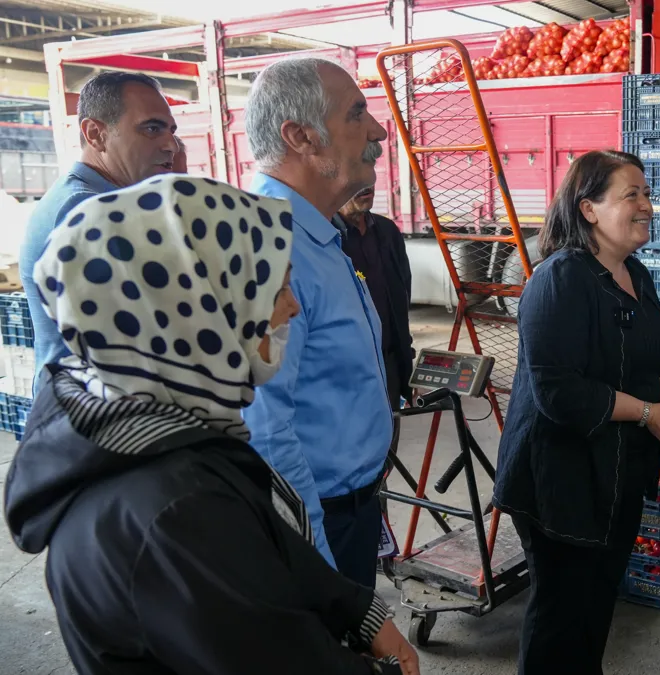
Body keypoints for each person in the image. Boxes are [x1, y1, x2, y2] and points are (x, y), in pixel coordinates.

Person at [2, 176, 419, 675]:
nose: (292, 306)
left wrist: (356, 610)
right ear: (199, 309)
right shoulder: (175, 510)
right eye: (276, 289)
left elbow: (266, 540)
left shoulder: (158, 431)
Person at [492, 150, 660, 675]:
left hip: (618, 473)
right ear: (588, 209)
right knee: (560, 615)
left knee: (596, 606)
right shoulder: (559, 279)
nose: (647, 206)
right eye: (632, 195)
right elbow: (558, 392)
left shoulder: (634, 274)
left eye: (647, 194)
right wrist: (647, 412)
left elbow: (656, 351)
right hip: (561, 479)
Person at [241, 57, 393, 588]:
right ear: (301, 136)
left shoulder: (315, 234)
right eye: (357, 114)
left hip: (350, 509)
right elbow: (263, 435)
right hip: (319, 524)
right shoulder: (266, 246)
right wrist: (321, 575)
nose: (377, 132)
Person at [20, 72, 177, 395]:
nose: (170, 145)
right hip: (93, 411)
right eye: (151, 128)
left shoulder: (97, 201)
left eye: (170, 131)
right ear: (95, 134)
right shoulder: (85, 209)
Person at [335, 185, 415, 409]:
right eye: (356, 173)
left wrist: (404, 357)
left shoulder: (387, 231)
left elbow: (401, 298)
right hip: (347, 372)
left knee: (391, 428)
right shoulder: (324, 238)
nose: (366, 183)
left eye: (370, 170)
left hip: (389, 364)